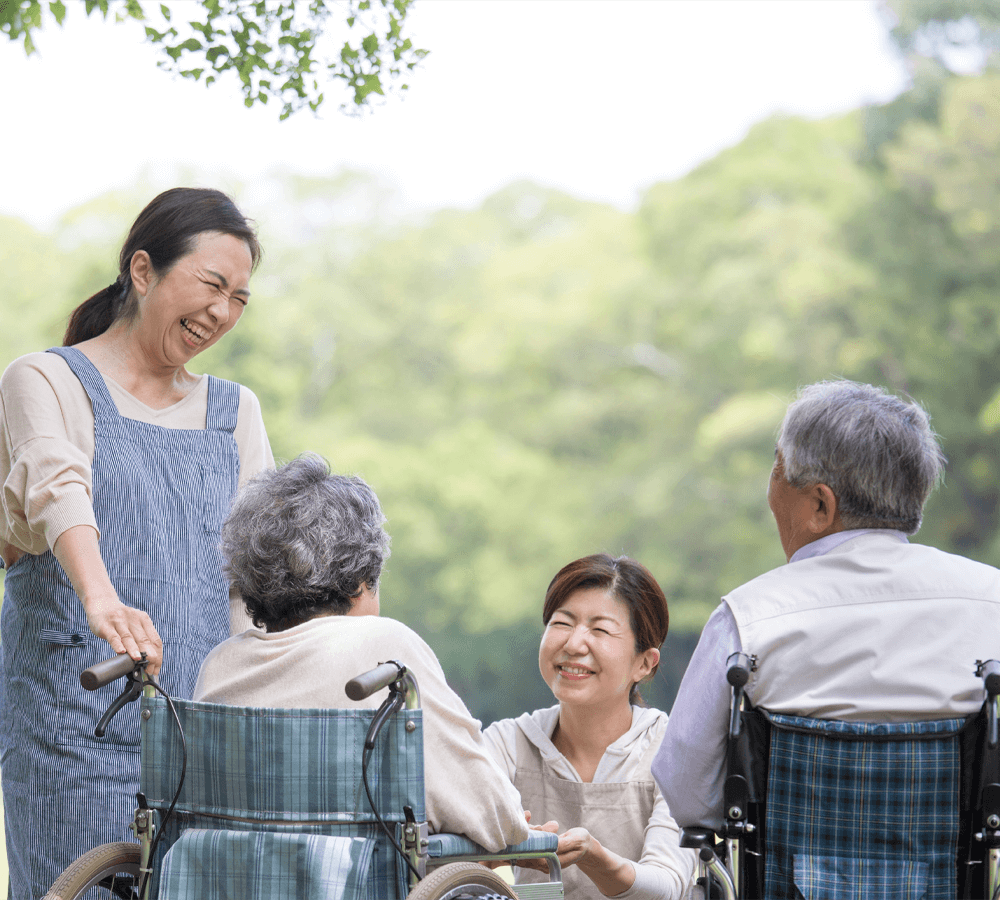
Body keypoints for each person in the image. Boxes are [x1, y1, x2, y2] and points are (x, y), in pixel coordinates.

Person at [0, 187, 273, 899]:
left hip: (202, 736)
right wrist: (103, 600)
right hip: (71, 732)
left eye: (239, 298)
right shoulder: (48, 379)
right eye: (211, 284)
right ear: (143, 270)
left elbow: (258, 570)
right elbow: (58, 488)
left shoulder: (233, 412)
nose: (221, 311)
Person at [652, 379, 1000, 831]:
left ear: (820, 504)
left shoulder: (749, 621)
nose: (770, 491)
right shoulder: (991, 602)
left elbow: (687, 794)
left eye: (777, 470)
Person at [193, 454, 530, 852]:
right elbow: (489, 813)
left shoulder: (220, 665)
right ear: (358, 581)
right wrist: (512, 822)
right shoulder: (382, 647)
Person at [482, 554, 698, 900]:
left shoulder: (674, 751)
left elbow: (666, 885)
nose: (573, 644)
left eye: (600, 630)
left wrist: (593, 856)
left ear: (644, 663)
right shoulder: (506, 743)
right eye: (562, 623)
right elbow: (441, 861)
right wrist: (495, 850)